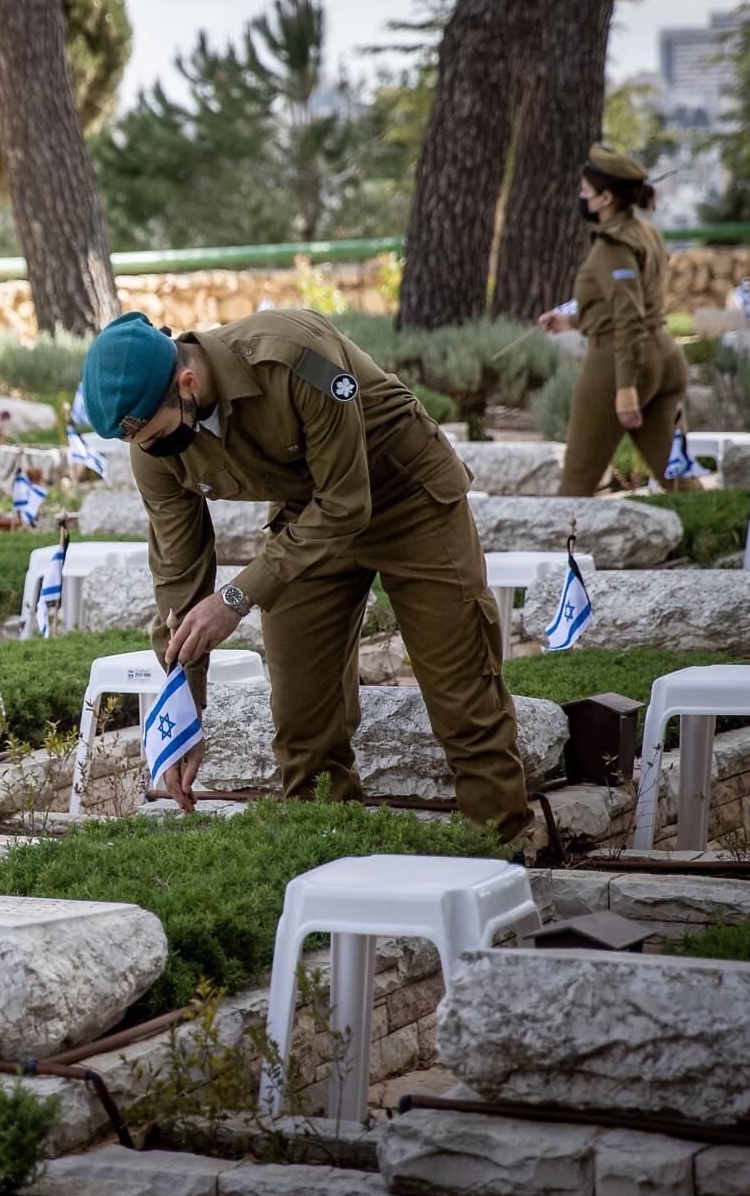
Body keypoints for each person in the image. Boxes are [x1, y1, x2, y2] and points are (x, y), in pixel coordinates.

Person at [80, 309, 533, 841]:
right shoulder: (154, 447)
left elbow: (347, 502)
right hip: (307, 519)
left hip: (407, 497)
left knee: (464, 702)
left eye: (153, 434)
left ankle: (500, 858)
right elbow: (179, 576)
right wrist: (184, 715)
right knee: (302, 723)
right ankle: (328, 859)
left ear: (187, 381)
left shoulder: (292, 357)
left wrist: (236, 597)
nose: (148, 450)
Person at [539, 143, 690, 496]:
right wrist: (574, 323)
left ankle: (559, 551)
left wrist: (624, 390)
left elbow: (627, 317)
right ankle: (724, 536)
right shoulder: (647, 232)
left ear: (606, 199)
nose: (581, 198)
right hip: (665, 356)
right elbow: (637, 303)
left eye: (585, 192)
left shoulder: (612, 244)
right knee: (678, 478)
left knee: (577, 481)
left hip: (620, 362)